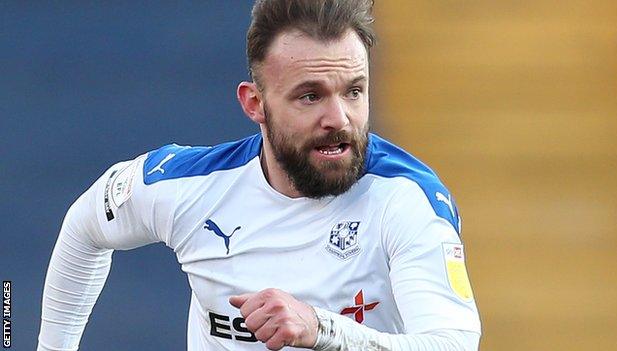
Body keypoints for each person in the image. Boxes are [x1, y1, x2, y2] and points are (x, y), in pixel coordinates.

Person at [38, 0, 481, 350]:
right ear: (254, 104)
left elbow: (453, 344)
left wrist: (323, 330)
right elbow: (85, 228)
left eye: (354, 91)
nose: (339, 118)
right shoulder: (186, 187)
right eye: (310, 96)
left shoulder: (407, 200)